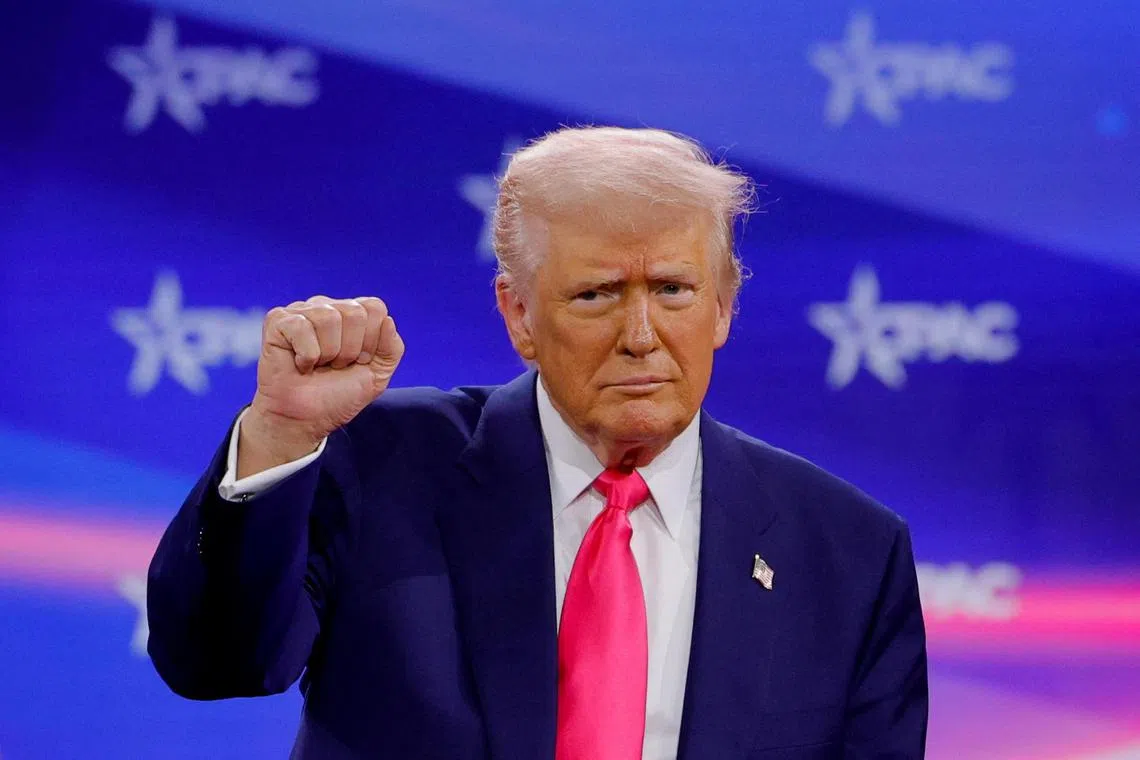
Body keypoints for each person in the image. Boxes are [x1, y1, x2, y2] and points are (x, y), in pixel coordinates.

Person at [147, 126, 928, 760]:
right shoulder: (381, 464)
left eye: (673, 290)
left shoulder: (848, 551)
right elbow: (216, 664)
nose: (641, 337)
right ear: (519, 314)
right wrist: (282, 433)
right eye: (596, 294)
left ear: (723, 307)